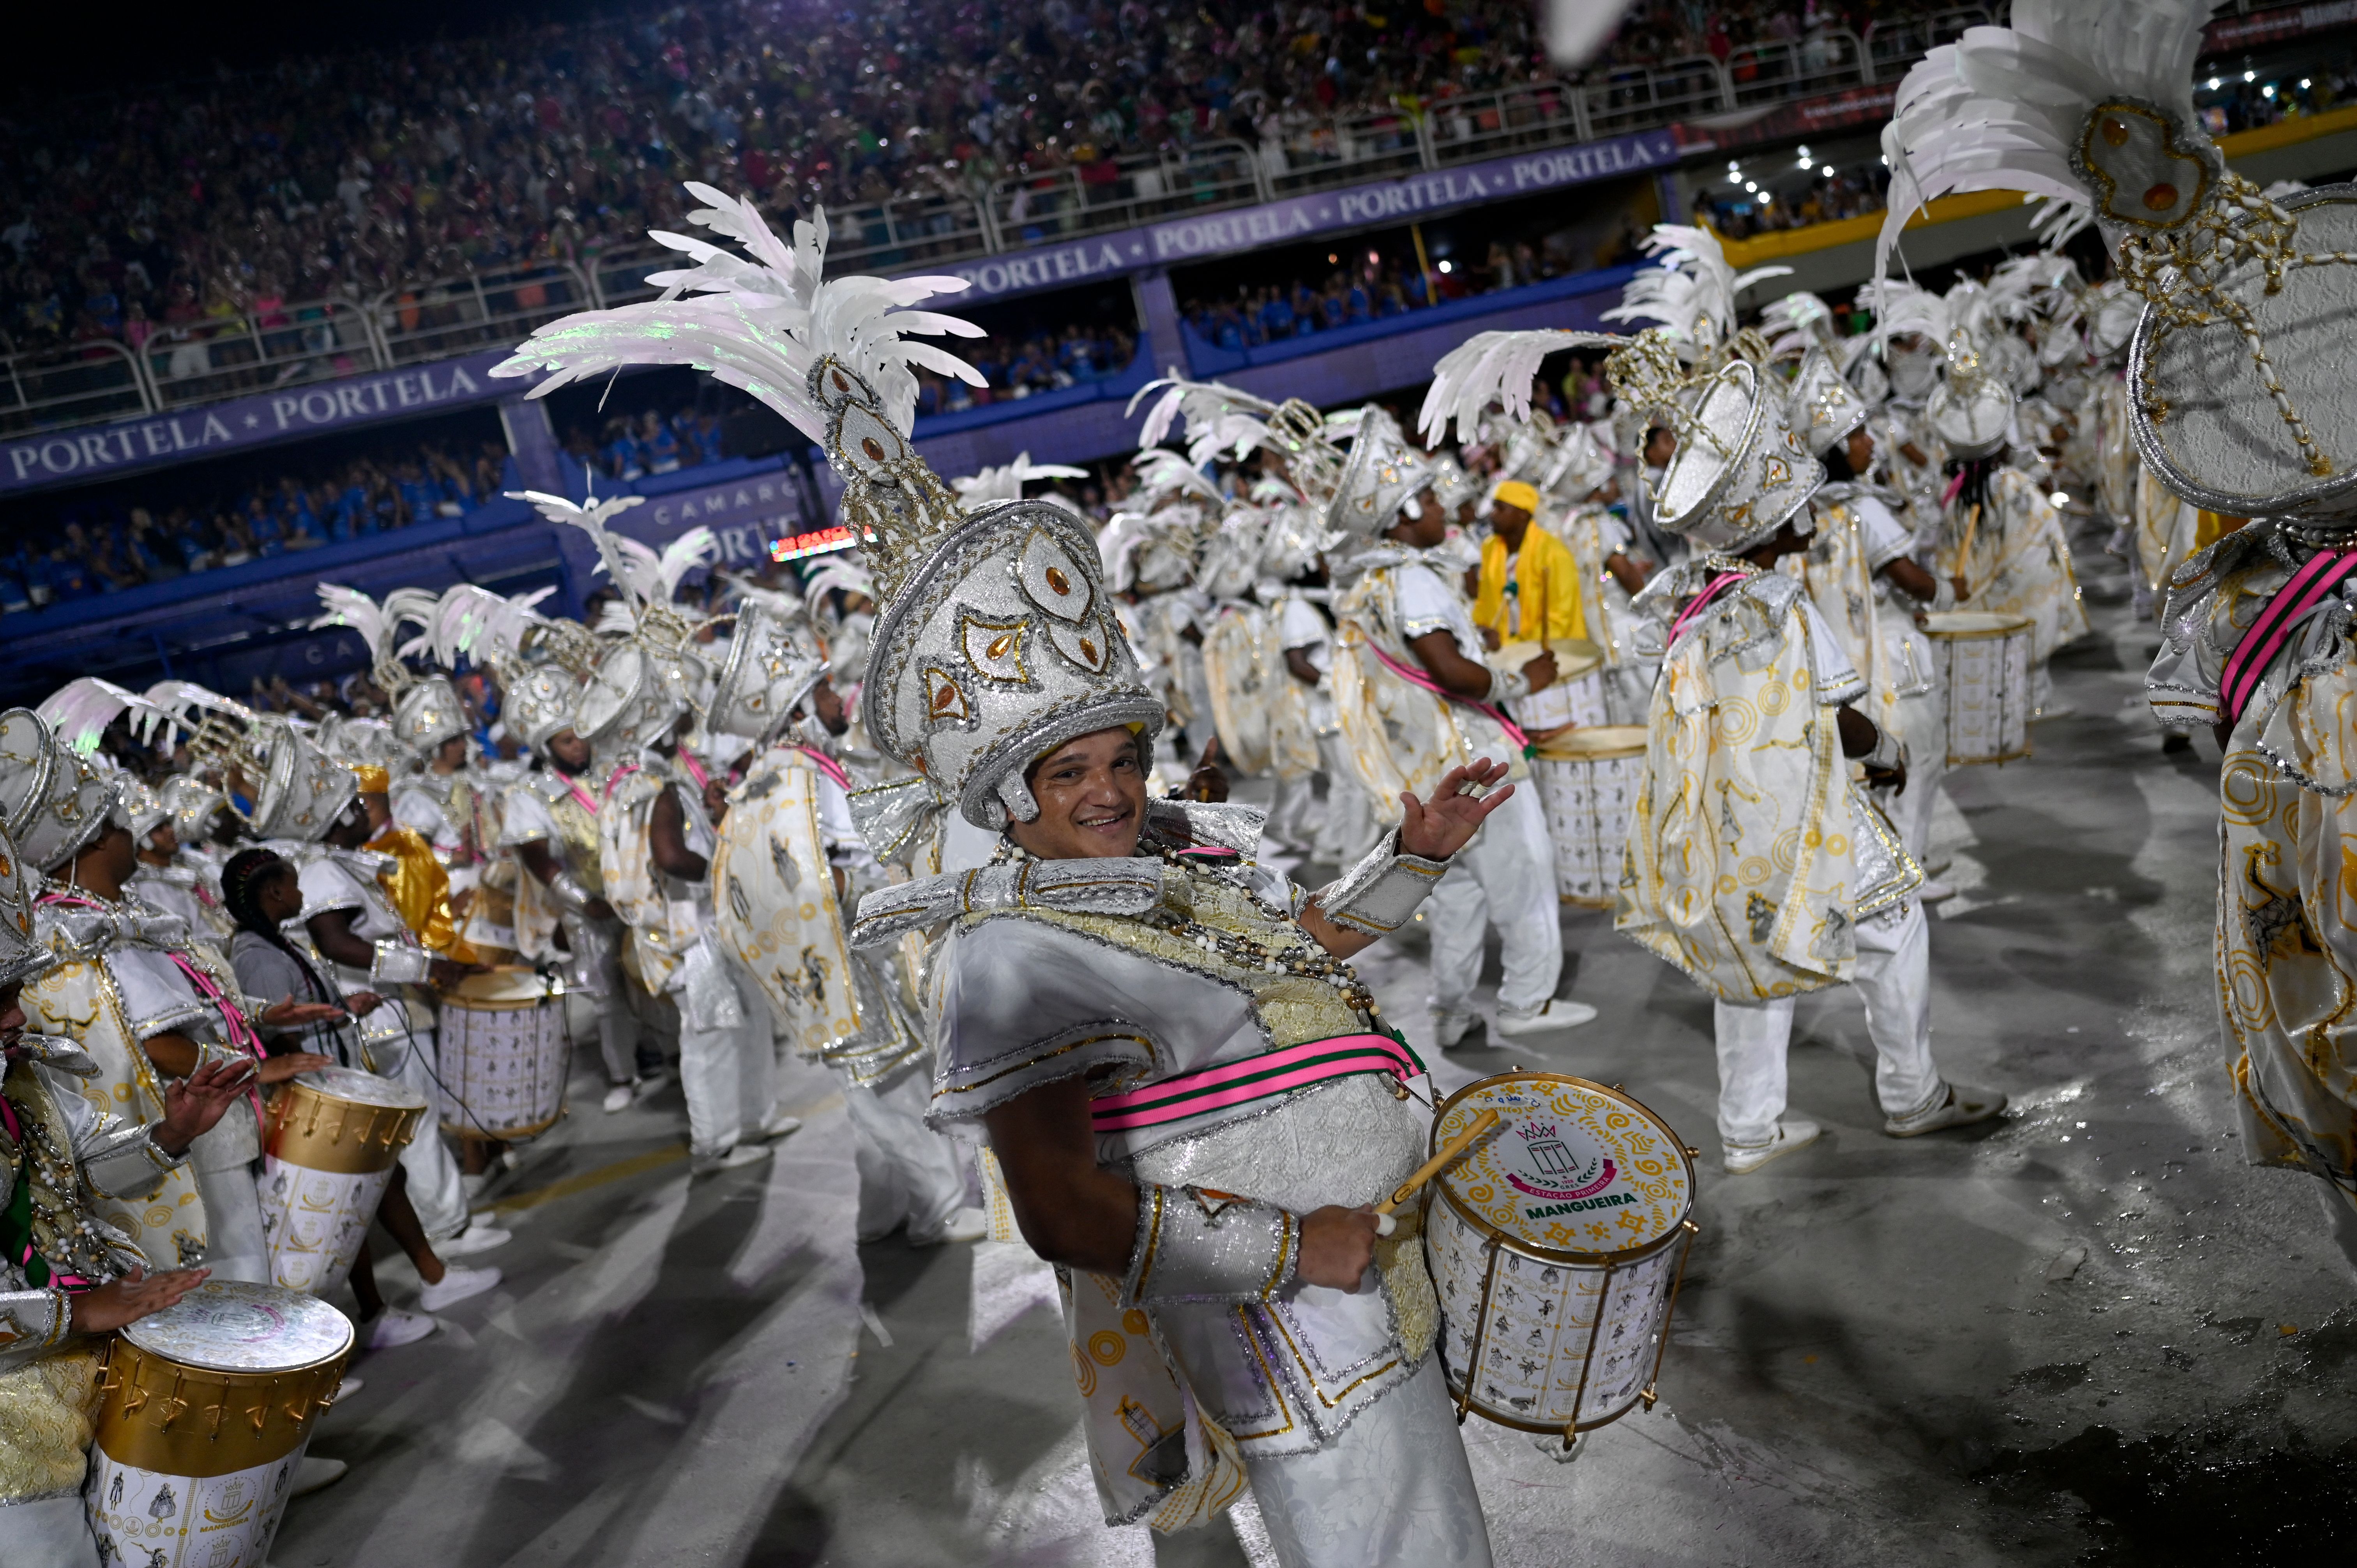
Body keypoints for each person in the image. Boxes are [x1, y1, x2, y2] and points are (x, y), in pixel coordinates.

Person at [1616, 368, 2004, 1172]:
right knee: (1896, 929)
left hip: (1726, 821)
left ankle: (1750, 1130)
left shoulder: (1693, 598)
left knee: (1750, 962)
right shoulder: (1777, 602)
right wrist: (1890, 754)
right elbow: (1840, 717)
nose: (1809, 507)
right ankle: (1913, 1095)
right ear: (1776, 517)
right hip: (1802, 813)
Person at [1327, 410, 1594, 1046]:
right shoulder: (1413, 578)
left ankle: (1449, 1011)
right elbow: (1449, 670)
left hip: (1422, 761)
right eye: (1429, 500)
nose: (1442, 507)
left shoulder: (1369, 584)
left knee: (1453, 891)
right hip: (1472, 756)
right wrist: (1521, 677)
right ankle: (1528, 1000)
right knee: (1521, 871)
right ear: (1399, 517)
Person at [220, 846, 483, 1344]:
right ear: (274, 891)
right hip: (315, 1099)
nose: (302, 894)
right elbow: (279, 1035)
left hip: (329, 1086)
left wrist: (342, 1008)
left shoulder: (274, 944)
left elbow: (298, 1012)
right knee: (351, 1203)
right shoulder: (257, 955)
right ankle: (378, 1310)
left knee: (378, 1185)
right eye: (294, 884)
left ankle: (425, 1283)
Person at [1471, 478, 1588, 655]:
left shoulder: (1554, 553)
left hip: (1555, 655)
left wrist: (1513, 646)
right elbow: (1485, 602)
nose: (1493, 515)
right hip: (1505, 653)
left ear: (1523, 514)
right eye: (1494, 507)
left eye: (1501, 508)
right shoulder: (1491, 548)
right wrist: (1481, 632)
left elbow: (1560, 619)